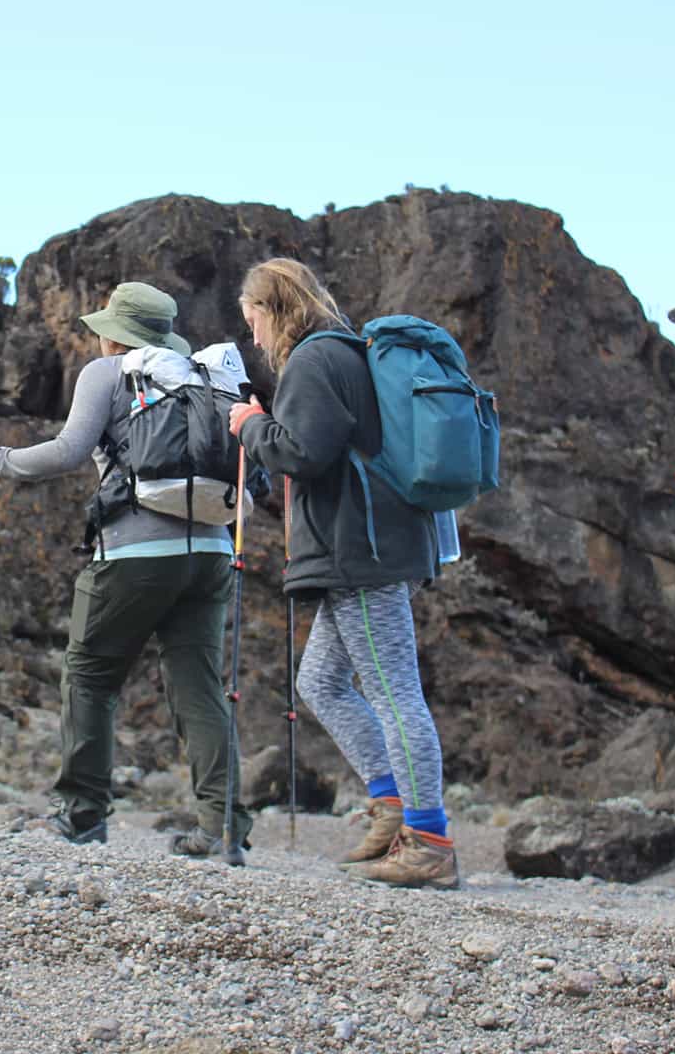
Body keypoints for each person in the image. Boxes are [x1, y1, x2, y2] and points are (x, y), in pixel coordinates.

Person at [0, 282, 251, 859]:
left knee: (90, 675)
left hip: (132, 554)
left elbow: (69, 450)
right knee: (198, 686)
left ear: (113, 332)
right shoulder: (202, 376)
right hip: (211, 552)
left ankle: (81, 814)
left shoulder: (107, 373)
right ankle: (223, 825)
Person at [228, 258, 455, 890]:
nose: (254, 338)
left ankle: (430, 841)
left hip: (362, 549)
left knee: (391, 691)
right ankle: (390, 811)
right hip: (372, 542)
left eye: (253, 321)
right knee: (322, 681)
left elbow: (305, 451)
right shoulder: (346, 353)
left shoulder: (313, 360)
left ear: (273, 309)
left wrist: (251, 427)